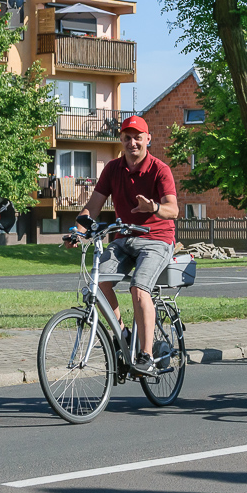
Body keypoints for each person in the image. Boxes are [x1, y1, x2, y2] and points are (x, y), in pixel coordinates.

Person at [72, 115, 178, 376]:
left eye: (138, 137)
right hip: (124, 238)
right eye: (127, 137)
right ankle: (124, 335)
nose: (133, 143)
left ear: (147, 139)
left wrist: (153, 207)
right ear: (120, 139)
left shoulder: (159, 169)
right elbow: (93, 206)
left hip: (156, 239)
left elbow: (173, 209)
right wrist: (77, 232)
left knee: (139, 289)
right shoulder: (112, 169)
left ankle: (147, 354)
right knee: (97, 283)